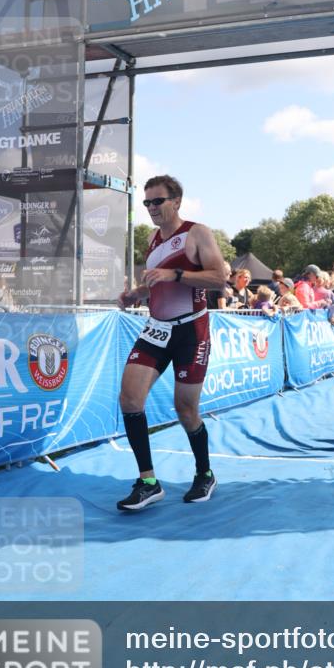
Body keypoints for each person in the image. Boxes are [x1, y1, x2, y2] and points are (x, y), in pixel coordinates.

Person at [116, 175, 226, 511]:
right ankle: (148, 482)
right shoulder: (152, 239)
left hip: (191, 331)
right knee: (130, 399)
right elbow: (157, 283)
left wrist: (176, 275)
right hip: (156, 329)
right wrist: (138, 293)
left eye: (157, 201)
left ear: (176, 201)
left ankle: (204, 473)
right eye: (147, 203)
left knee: (186, 409)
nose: (151, 208)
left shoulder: (196, 232)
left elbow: (219, 277)